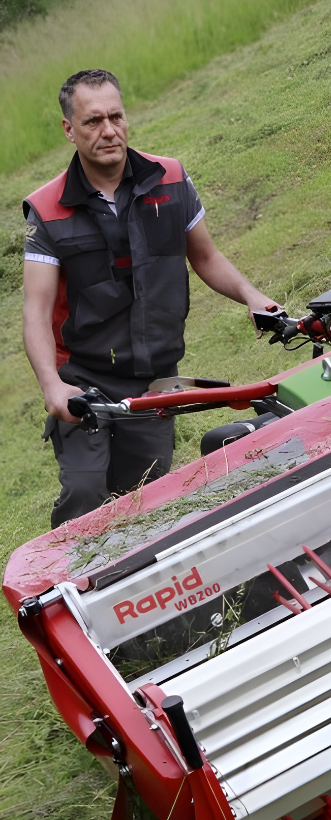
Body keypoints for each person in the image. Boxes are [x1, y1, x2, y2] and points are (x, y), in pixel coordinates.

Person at [22, 68, 280, 528]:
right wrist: (52, 386)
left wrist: (251, 296)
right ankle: (65, 589)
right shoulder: (46, 209)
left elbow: (206, 256)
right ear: (69, 129)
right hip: (84, 380)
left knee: (147, 497)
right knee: (85, 493)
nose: (108, 131)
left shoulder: (171, 179)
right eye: (93, 121)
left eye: (116, 117)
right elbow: (37, 311)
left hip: (154, 380)